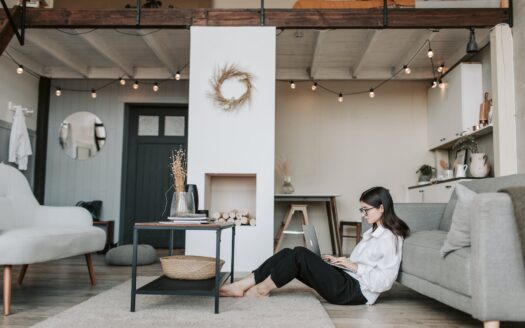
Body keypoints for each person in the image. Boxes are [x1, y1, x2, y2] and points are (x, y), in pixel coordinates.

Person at [220, 186, 410, 305]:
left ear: (382, 208)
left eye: (365, 210)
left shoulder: (390, 238)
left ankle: (261, 290)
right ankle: (244, 283)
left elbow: (385, 282)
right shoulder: (373, 233)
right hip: (348, 279)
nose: (362, 214)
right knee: (289, 251)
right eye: (361, 210)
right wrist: (341, 261)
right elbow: (363, 264)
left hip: (355, 292)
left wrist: (353, 266)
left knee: (299, 255)